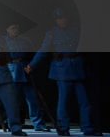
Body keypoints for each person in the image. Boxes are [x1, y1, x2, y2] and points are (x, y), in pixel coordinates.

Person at [27, 8, 100, 136]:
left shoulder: (76, 30)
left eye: (64, 17)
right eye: (59, 18)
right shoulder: (52, 33)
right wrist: (32, 65)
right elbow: (43, 50)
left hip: (77, 69)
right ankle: (63, 127)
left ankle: (88, 127)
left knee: (84, 102)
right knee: (63, 101)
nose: (62, 20)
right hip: (62, 71)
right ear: (56, 20)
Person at [6, 23, 48, 132]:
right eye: (13, 28)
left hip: (25, 69)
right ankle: (13, 124)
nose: (15, 30)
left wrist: (30, 66)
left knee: (32, 98)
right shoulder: (4, 42)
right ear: (7, 30)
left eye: (17, 28)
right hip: (11, 70)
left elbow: (33, 55)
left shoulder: (25, 40)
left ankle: (38, 124)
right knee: (12, 100)